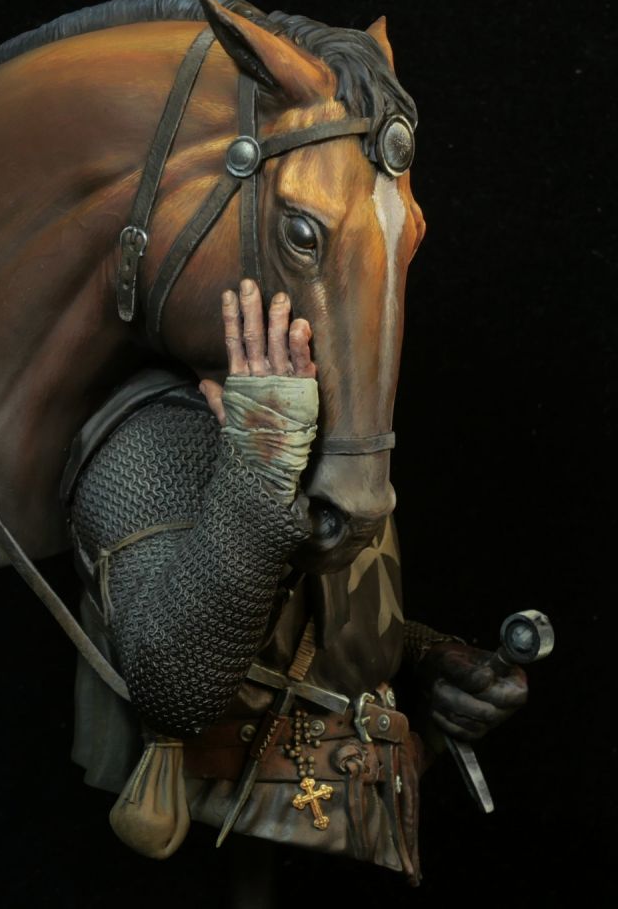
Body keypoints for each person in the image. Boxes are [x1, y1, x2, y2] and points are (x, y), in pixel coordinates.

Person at [62, 280, 527, 884]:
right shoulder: (157, 434)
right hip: (219, 831)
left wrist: (427, 657)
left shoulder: (323, 418)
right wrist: (261, 464)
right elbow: (172, 685)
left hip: (349, 827)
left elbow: (323, 613)